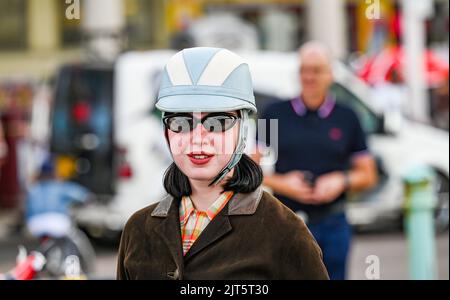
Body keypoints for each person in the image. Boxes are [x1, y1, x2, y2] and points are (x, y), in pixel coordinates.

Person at [117, 47, 329, 280]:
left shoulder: (285, 233)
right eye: (181, 122)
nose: (197, 138)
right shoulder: (138, 231)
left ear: (243, 128)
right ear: (166, 132)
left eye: (217, 122)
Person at [255, 42, 378, 280]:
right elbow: (250, 170)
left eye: (316, 70)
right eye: (304, 70)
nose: (309, 77)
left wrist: (341, 180)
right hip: (285, 220)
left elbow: (368, 174)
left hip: (333, 222)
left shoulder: (348, 117)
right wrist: (282, 183)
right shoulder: (273, 114)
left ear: (331, 74)